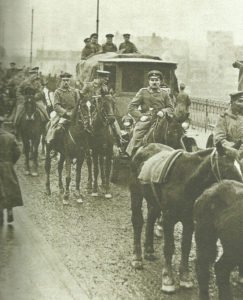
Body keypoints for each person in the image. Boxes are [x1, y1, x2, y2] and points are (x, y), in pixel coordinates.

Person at [126, 70, 174, 156]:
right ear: (149, 81)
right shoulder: (143, 92)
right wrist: (140, 116)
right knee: (137, 134)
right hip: (147, 119)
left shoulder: (164, 93)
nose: (154, 82)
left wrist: (163, 111)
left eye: (157, 80)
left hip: (162, 119)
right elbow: (131, 107)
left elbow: (171, 108)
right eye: (152, 80)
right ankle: (133, 154)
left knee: (175, 134)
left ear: (160, 81)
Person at [81, 70, 121, 142]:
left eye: (107, 78)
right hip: (89, 110)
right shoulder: (88, 85)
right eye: (105, 78)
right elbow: (81, 98)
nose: (107, 80)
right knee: (84, 124)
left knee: (113, 122)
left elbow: (106, 100)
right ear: (99, 78)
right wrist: (91, 98)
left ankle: (119, 139)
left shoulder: (105, 87)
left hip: (101, 110)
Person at [0, 116, 23, 225]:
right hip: (7, 166)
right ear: (2, 124)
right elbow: (18, 152)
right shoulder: (10, 137)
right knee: (9, 189)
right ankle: (9, 210)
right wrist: (10, 162)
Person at [45, 72, 80, 144]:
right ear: (61, 81)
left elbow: (78, 103)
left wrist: (75, 112)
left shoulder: (75, 91)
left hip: (75, 114)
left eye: (67, 80)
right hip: (63, 115)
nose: (66, 82)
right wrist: (65, 113)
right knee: (56, 128)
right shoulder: (57, 92)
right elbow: (56, 106)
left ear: (69, 81)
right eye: (64, 81)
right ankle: (53, 144)